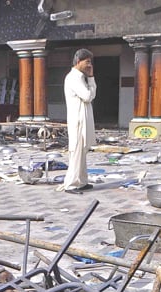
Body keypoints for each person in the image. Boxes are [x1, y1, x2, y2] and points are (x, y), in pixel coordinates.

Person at [58, 48, 96, 194]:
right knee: (76, 152)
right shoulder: (74, 77)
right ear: (79, 61)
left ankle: (82, 181)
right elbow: (87, 96)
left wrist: (91, 77)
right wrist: (91, 80)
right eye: (87, 62)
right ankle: (71, 184)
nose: (89, 65)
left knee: (82, 152)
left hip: (83, 119)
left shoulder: (81, 77)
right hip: (78, 120)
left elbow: (92, 94)